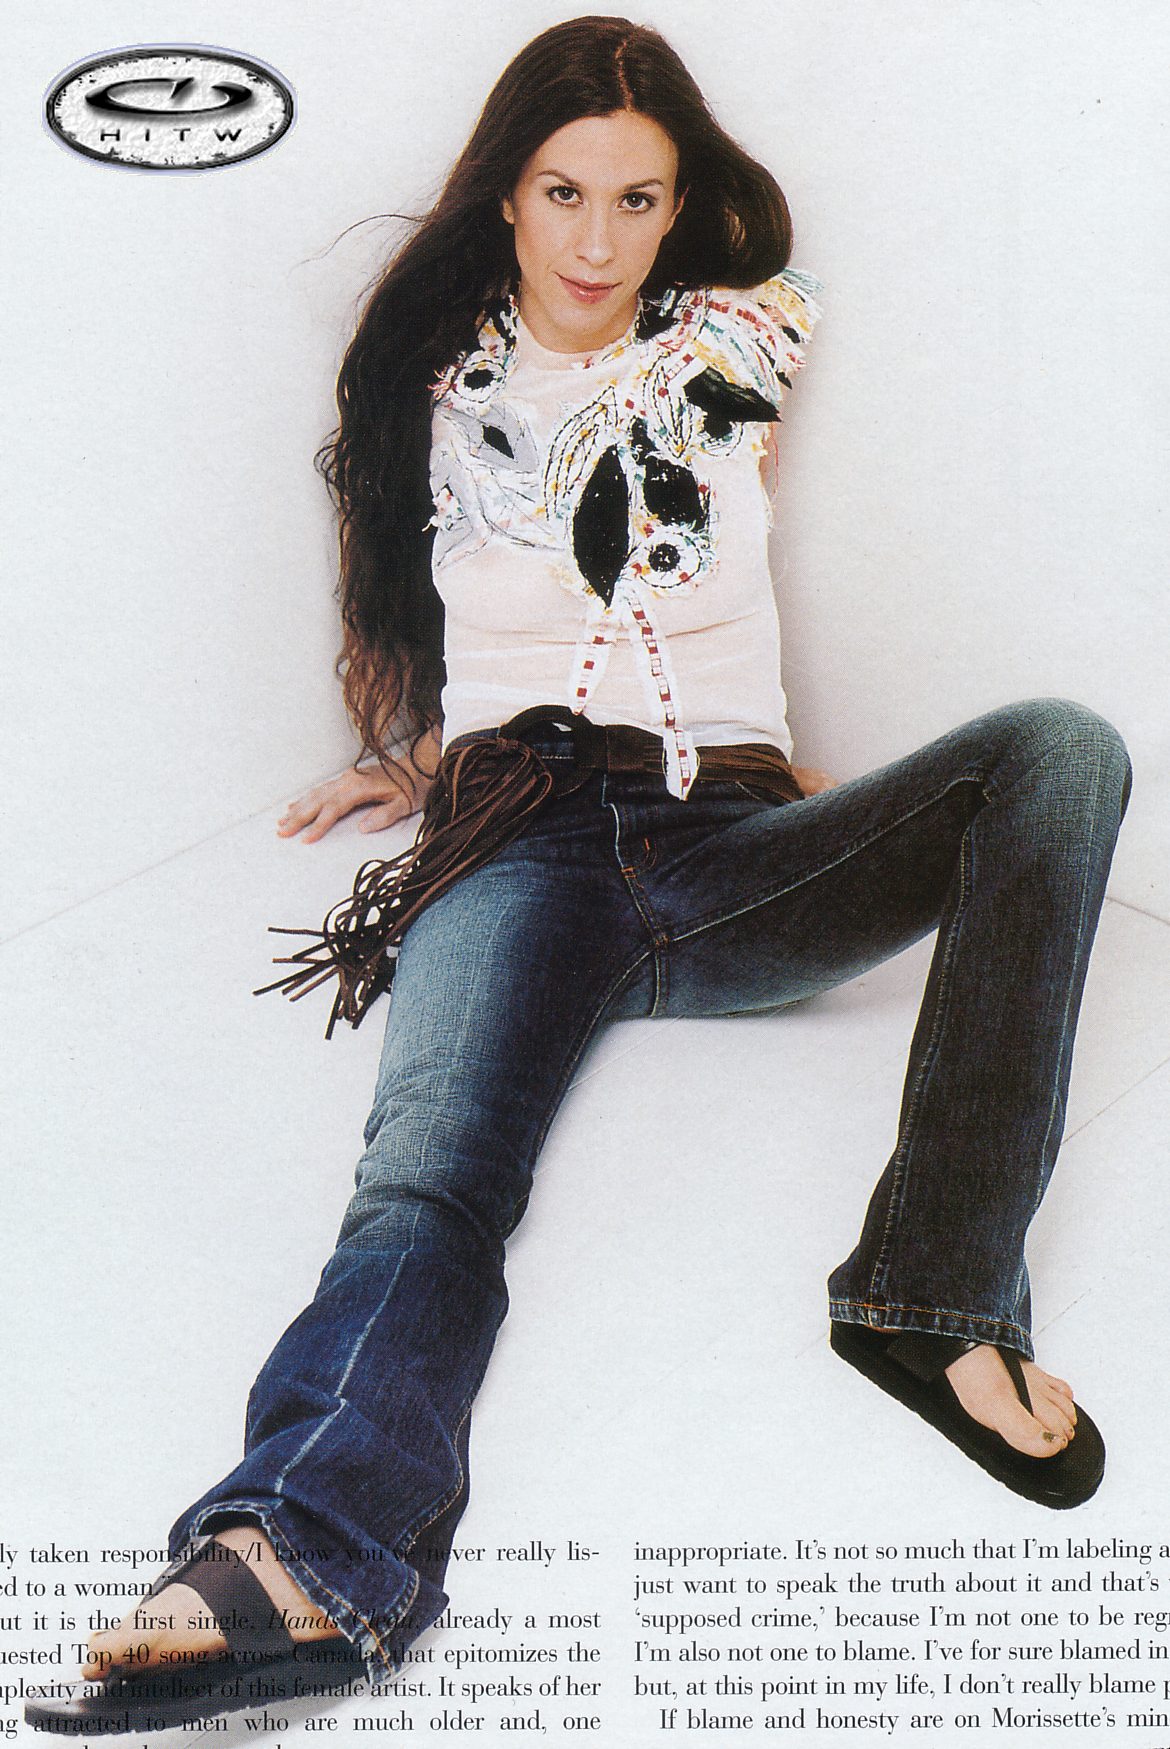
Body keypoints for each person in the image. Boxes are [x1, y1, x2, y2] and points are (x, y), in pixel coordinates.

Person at [27, 14, 1131, 1735]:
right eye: (562, 193)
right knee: (428, 1178)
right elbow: (442, 618)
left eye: (636, 198)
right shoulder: (428, 388)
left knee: (1060, 745)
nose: (597, 239)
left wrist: (814, 788)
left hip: (730, 839)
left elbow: (689, 598)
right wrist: (415, 762)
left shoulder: (739, 343)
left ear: (681, 209)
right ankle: (296, 1546)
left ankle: (927, 1297)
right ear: (506, 195)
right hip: (515, 835)